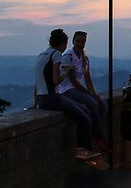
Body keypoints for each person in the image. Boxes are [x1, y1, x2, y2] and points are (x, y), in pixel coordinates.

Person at [34, 29, 99, 160]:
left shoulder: (42, 55)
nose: (65, 47)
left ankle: (87, 148)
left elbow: (37, 83)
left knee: (84, 110)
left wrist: (36, 102)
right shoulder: (56, 54)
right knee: (85, 117)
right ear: (63, 43)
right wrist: (67, 70)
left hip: (42, 99)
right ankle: (82, 149)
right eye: (66, 43)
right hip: (53, 98)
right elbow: (56, 80)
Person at [59, 30, 110, 151]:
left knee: (103, 105)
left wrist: (94, 93)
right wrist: (89, 94)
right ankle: (99, 137)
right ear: (73, 41)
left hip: (78, 89)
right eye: (78, 41)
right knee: (92, 103)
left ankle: (95, 134)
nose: (80, 44)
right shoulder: (68, 57)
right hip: (67, 89)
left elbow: (87, 78)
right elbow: (73, 82)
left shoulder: (84, 57)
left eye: (83, 41)